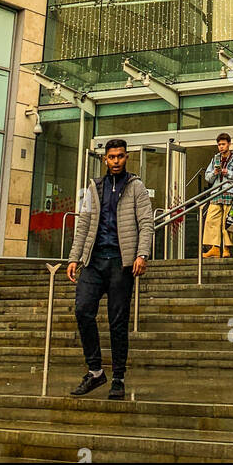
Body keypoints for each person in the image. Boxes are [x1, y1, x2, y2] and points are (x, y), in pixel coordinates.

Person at [66, 139, 153, 401]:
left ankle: (118, 378)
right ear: (105, 159)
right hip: (93, 262)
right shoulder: (95, 187)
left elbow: (146, 222)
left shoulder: (136, 187)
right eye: (112, 157)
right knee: (82, 310)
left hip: (120, 262)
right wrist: (74, 258)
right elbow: (83, 223)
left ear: (127, 158)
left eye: (120, 157)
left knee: (117, 322)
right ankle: (95, 371)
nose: (116, 161)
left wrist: (141, 254)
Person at [202, 133, 233, 258]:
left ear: (229, 144)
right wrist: (215, 172)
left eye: (223, 144)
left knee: (227, 222)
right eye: (219, 144)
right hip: (216, 193)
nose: (221, 147)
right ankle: (215, 248)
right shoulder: (215, 158)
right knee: (211, 220)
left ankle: (226, 248)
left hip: (229, 193)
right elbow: (208, 177)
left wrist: (228, 173)